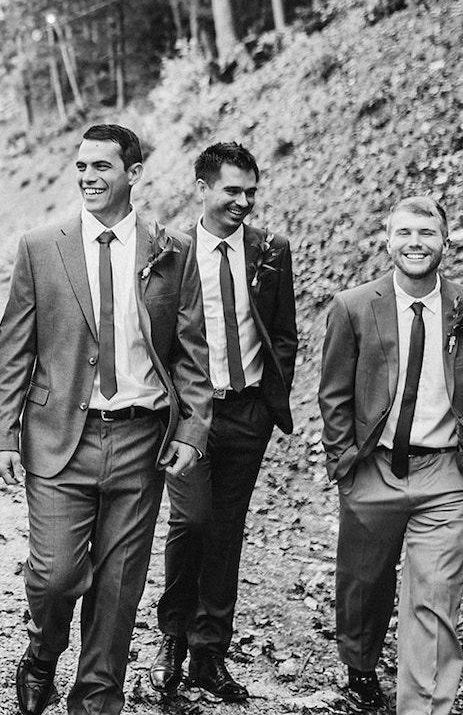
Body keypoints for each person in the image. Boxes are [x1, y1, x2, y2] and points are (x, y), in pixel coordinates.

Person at [0, 123, 210, 715]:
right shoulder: (42, 246)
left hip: (142, 437)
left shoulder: (172, 249)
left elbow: (191, 350)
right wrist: (2, 435)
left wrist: (191, 428)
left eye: (101, 167)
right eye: (81, 167)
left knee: (118, 586)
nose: (88, 177)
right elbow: (15, 347)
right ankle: (42, 651)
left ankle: (96, 697)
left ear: (132, 174)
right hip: (61, 434)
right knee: (56, 574)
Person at [318, 195, 463, 714]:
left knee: (433, 602)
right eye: (405, 233)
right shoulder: (353, 306)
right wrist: (345, 466)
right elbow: (333, 393)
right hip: (374, 468)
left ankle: (422, 707)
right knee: (363, 585)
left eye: (426, 234)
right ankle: (359, 663)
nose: (415, 243)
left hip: (448, 475)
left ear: (445, 241)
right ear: (388, 240)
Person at [149, 142, 298, 701]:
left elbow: (282, 329)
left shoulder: (271, 250)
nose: (243, 202)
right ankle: (172, 637)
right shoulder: (172, 250)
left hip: (248, 411)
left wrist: (266, 403)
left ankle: (210, 653)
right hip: (189, 413)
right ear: (202, 188)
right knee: (192, 522)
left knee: (227, 529)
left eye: (251, 192)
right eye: (232, 190)